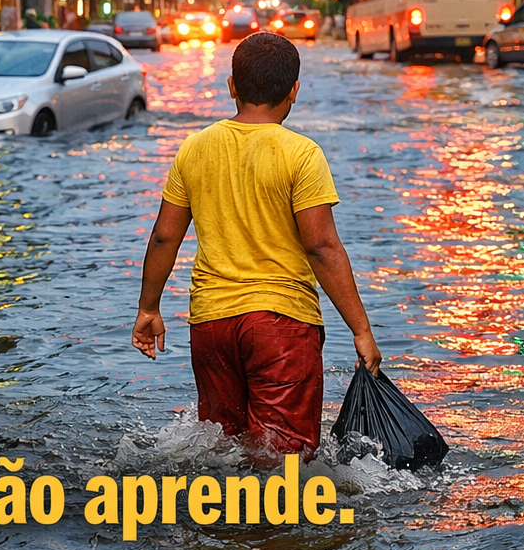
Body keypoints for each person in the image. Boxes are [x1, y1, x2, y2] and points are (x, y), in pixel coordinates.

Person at [131, 33, 381, 460]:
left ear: (232, 86)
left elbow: (164, 236)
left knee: (221, 451)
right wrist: (360, 329)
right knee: (283, 462)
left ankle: (223, 525)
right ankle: (272, 528)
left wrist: (148, 308)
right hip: (280, 326)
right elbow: (321, 247)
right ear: (294, 92)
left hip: (210, 325)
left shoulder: (194, 148)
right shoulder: (301, 155)